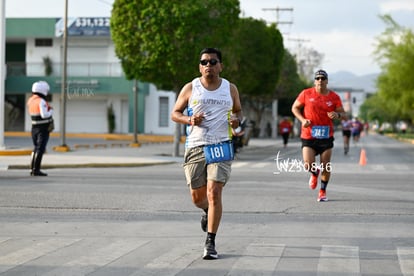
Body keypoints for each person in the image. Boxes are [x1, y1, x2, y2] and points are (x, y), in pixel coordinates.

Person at [171, 48, 243, 260]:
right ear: (200, 66)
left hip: (220, 145)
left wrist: (237, 120)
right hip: (195, 146)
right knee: (197, 198)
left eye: (213, 62)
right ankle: (206, 212)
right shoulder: (190, 88)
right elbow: (175, 114)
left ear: (221, 66)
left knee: (214, 193)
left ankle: (210, 242)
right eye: (204, 62)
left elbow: (239, 110)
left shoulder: (230, 88)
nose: (208, 65)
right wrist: (189, 120)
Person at [291, 69, 346, 202]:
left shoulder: (334, 97)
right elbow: (295, 108)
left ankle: (322, 191)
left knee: (326, 165)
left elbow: (344, 115)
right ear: (314, 81)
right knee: (308, 164)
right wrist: (303, 120)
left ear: (327, 81)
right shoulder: (306, 93)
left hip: (326, 136)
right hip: (309, 134)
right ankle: (315, 173)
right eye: (317, 78)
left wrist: (337, 115)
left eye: (323, 78)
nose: (320, 80)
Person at [27, 81, 54, 176]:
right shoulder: (41, 101)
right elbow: (44, 115)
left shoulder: (30, 100)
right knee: (40, 149)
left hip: (34, 127)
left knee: (36, 148)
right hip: (42, 128)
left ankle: (32, 169)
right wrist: (51, 111)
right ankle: (36, 169)